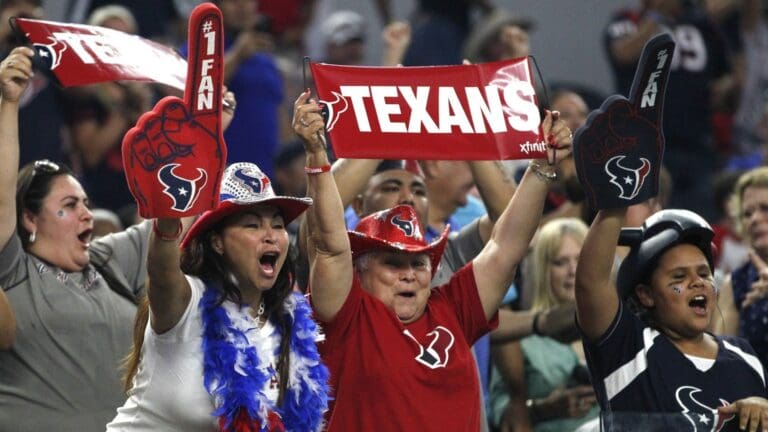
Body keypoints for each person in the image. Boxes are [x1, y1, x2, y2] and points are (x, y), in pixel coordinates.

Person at [293, 88, 573, 430]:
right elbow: (327, 244)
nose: (409, 274)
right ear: (360, 269)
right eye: (393, 263)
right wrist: (316, 155)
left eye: (419, 262)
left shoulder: (453, 307)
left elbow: (508, 244)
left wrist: (540, 168)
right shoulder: (345, 314)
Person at [107, 162, 329, 431]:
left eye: (278, 224)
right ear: (217, 242)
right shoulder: (189, 302)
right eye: (252, 225)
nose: (270, 236)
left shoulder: (289, 321)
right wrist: (167, 221)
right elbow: (162, 272)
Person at [0, 47, 149, 431]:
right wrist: (9, 104)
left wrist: (208, 134)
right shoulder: (13, 269)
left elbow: (175, 223)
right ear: (29, 218)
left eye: (86, 202)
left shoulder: (107, 261)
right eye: (69, 205)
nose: (86, 212)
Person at [575, 202, 768, 429]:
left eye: (704, 273)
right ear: (646, 295)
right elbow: (590, 283)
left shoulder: (745, 356)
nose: (698, 282)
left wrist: (762, 406)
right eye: (679, 277)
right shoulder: (627, 348)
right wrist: (615, 202)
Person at [603, 0, 732, 221]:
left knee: (701, 220)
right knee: (651, 219)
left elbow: (726, 71)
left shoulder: (701, 24)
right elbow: (623, 54)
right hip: (646, 144)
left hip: (697, 144)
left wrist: (726, 87)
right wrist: (655, 16)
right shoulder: (626, 21)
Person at [490, 218, 598, 432]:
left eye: (581, 259)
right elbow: (500, 414)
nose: (573, 270)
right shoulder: (519, 335)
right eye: (560, 262)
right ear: (542, 270)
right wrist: (546, 408)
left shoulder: (617, 329)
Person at [715, 166, 768, 371]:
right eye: (747, 213)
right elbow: (722, 362)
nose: (755, 219)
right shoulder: (735, 282)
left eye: (765, 208)